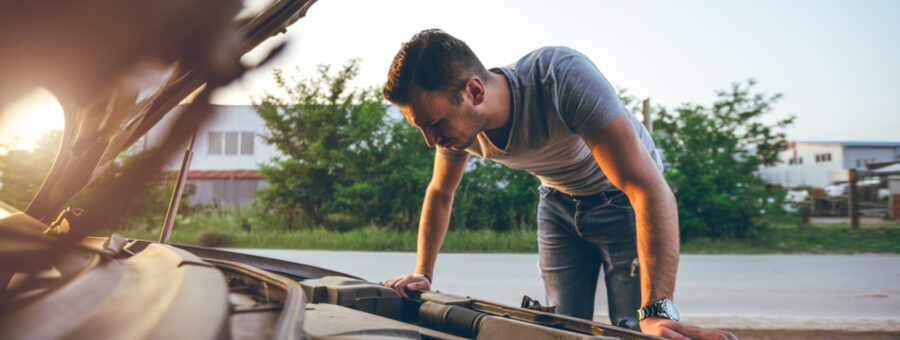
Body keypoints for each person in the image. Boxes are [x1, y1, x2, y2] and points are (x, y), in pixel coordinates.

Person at [382, 29, 736, 340]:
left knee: (634, 327)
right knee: (562, 330)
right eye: (421, 128)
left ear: (474, 91)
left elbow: (647, 187)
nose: (431, 140)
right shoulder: (457, 131)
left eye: (433, 123)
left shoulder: (560, 77)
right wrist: (422, 274)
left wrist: (658, 309)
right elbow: (441, 193)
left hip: (624, 200)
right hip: (556, 203)